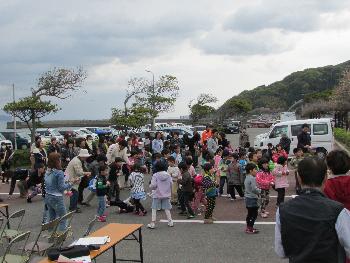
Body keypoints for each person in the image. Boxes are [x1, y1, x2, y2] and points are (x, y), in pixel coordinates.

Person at [275, 157, 350, 263]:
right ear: (325, 177)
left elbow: (281, 251)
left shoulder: (282, 210)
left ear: (299, 177)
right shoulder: (338, 210)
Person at [44, 152, 76, 232]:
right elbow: (61, 188)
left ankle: (51, 236)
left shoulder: (47, 171)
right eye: (59, 159)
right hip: (57, 197)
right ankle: (61, 238)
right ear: (57, 160)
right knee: (63, 218)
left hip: (48, 196)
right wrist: (71, 183)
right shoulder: (59, 172)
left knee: (51, 219)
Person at [147, 160, 174, 229]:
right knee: (167, 208)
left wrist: (150, 186)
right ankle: (170, 221)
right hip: (166, 194)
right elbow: (171, 183)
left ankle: (153, 223)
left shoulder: (155, 175)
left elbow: (153, 185)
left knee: (154, 208)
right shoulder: (168, 175)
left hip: (157, 194)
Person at [66, 149, 92, 213]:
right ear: (82, 156)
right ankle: (73, 208)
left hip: (71, 178)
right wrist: (87, 173)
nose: (86, 158)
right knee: (74, 193)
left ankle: (73, 206)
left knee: (74, 193)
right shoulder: (77, 161)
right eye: (86, 157)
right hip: (71, 179)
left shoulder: (77, 159)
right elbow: (79, 172)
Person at [244, 163, 261, 234]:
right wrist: (260, 191)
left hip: (247, 198)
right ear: (251, 171)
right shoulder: (252, 178)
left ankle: (248, 227)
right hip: (252, 198)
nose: (256, 171)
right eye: (255, 169)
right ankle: (250, 228)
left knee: (250, 213)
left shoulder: (247, 177)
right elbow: (254, 189)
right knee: (254, 214)